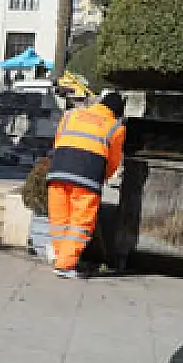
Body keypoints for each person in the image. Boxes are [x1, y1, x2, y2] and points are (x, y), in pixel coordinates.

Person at [46, 92, 126, 279]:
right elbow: (113, 161)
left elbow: (58, 141)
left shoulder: (70, 115)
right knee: (80, 223)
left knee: (60, 220)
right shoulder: (115, 127)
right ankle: (65, 265)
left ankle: (62, 258)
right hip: (86, 179)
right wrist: (101, 177)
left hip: (58, 172)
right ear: (117, 112)